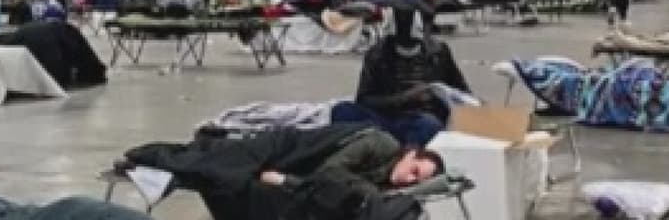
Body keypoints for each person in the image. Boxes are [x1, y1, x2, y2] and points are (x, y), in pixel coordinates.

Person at [125, 124, 442, 220]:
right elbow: (330, 173)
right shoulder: (380, 143)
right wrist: (285, 180)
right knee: (220, 169)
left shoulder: (388, 180)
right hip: (286, 149)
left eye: (417, 180)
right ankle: (149, 157)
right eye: (414, 169)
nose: (409, 179)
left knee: (233, 182)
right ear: (409, 154)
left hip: (290, 169)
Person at [331, 0, 470, 146]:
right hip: (384, 119)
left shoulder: (439, 52)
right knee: (342, 111)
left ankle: (405, 151)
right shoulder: (377, 54)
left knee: (429, 125)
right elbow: (364, 99)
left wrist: (435, 95)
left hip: (420, 119)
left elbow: (462, 92)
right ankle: (386, 144)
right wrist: (403, 98)